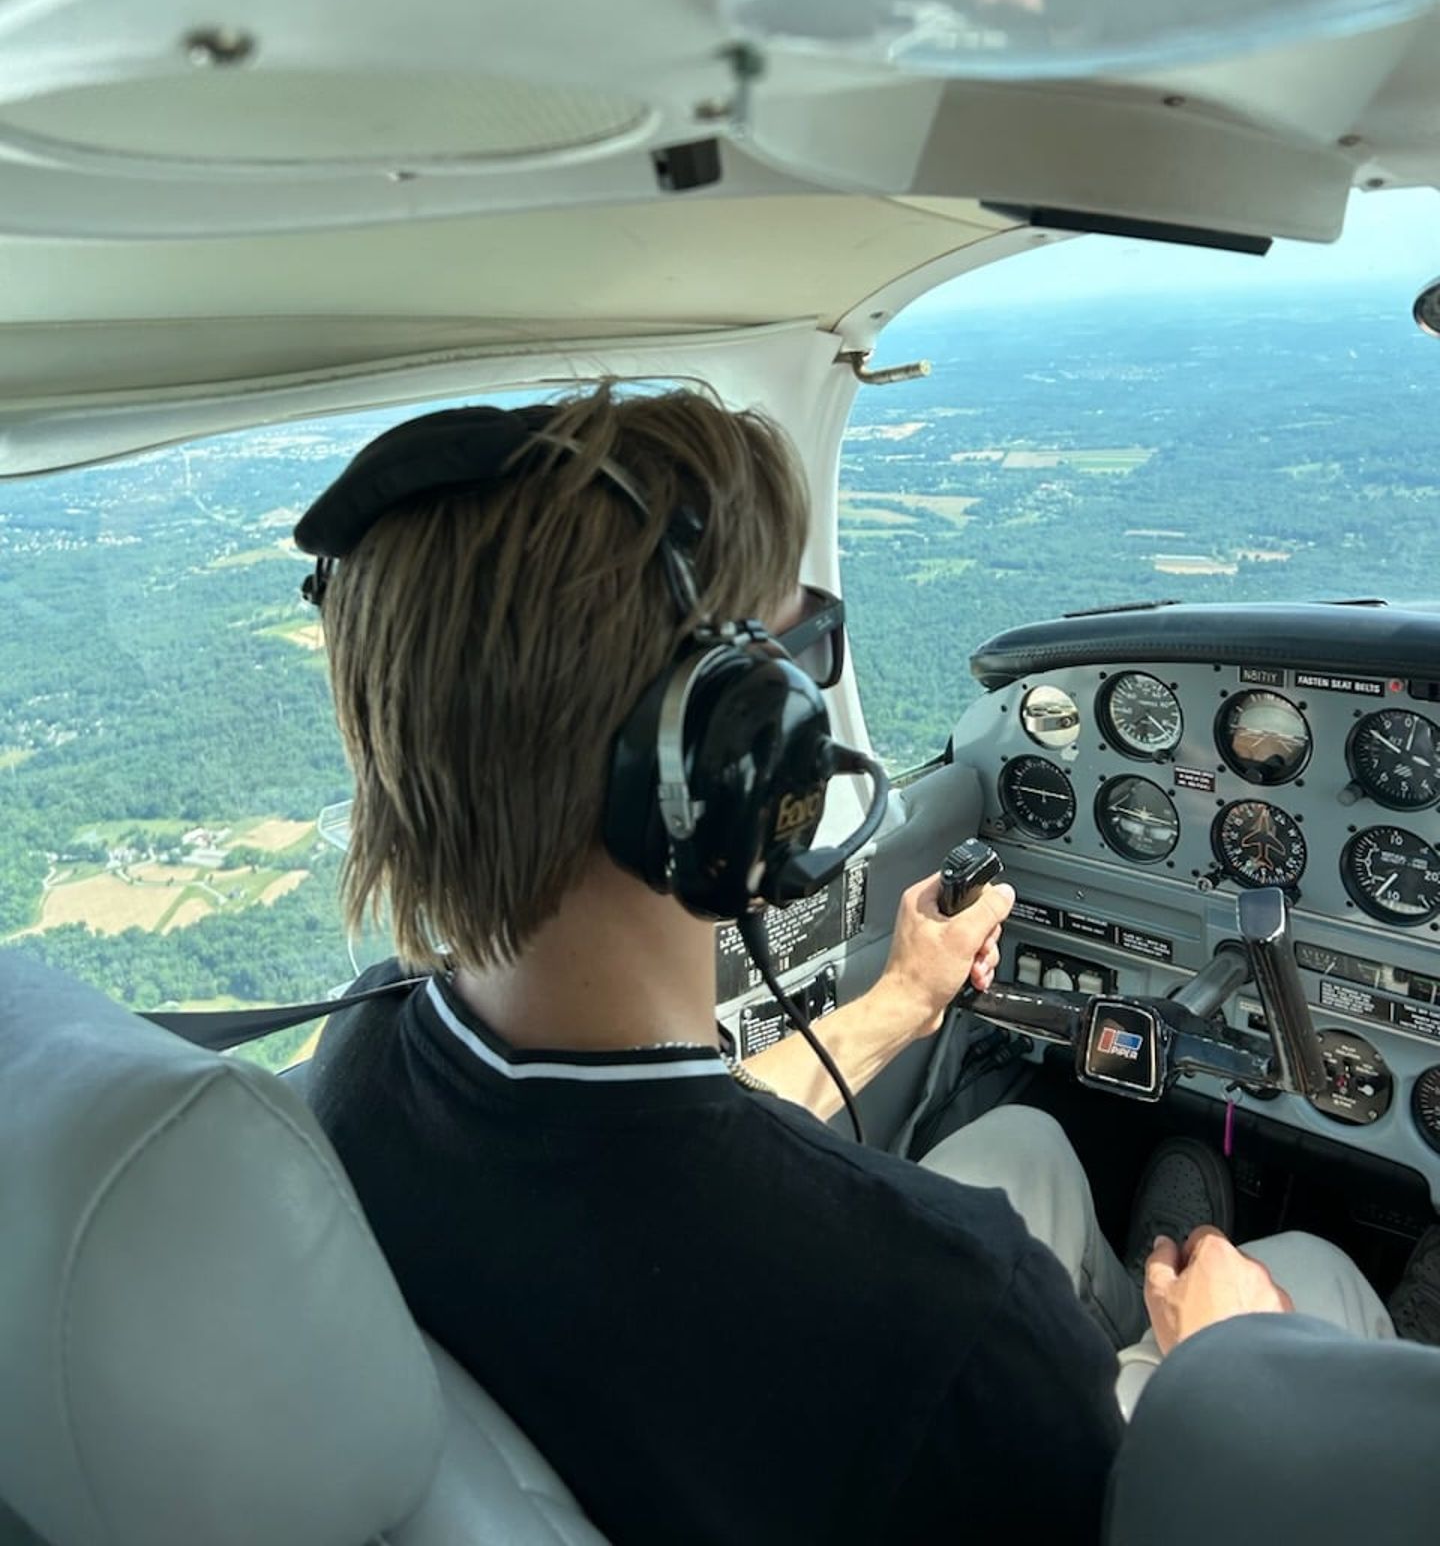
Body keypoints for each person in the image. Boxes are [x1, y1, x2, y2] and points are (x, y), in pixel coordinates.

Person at [301, 384, 1381, 1546]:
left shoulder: (363, 1057)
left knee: (1028, 1146)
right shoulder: (950, 1309)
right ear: (727, 766)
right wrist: (1226, 1365)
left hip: (663, 1436)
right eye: (799, 660)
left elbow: (634, 1152)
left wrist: (900, 1002)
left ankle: (1155, 1279)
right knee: (1310, 1272)